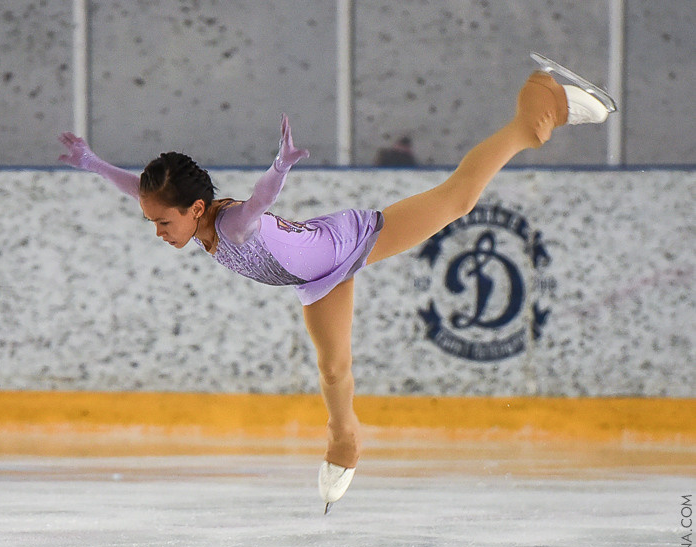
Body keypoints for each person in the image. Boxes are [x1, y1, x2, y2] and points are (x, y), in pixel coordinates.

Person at [59, 67, 614, 513]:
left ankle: (536, 112)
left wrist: (280, 166)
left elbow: (260, 201)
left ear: (196, 208)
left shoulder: (232, 225)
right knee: (333, 369)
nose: (159, 232)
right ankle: (344, 438)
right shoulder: (191, 217)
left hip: (351, 240)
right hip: (316, 277)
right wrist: (92, 163)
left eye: (163, 223)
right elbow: (137, 188)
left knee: (457, 200)